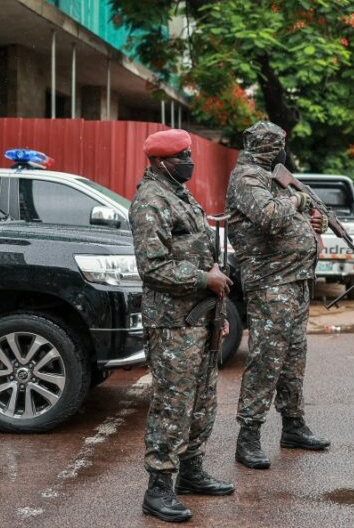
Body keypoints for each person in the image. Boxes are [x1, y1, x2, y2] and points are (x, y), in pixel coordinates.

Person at [129, 129, 235, 523]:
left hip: (200, 319)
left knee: (202, 401)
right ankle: (158, 489)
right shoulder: (150, 201)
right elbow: (152, 267)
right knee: (172, 404)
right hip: (172, 324)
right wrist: (203, 280)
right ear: (159, 161)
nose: (189, 161)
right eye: (182, 156)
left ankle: (191, 472)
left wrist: (215, 309)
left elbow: (201, 249)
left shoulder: (179, 193)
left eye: (189, 154)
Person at [226, 121, 329, 471]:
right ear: (271, 147)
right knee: (267, 359)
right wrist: (298, 200)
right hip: (271, 284)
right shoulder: (247, 179)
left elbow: (303, 215)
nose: (285, 151)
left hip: (296, 281)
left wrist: (314, 222)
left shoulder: (274, 180)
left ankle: (293, 426)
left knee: (293, 358)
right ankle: (249, 436)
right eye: (281, 145)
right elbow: (270, 216)